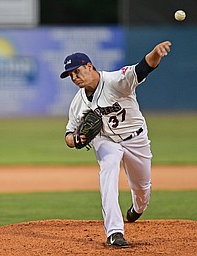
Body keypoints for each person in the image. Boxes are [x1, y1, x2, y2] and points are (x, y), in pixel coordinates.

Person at [60, 41, 172, 247]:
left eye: (76, 71)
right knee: (108, 171)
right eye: (70, 75)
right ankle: (114, 232)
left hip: (135, 138)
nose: (74, 78)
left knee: (142, 189)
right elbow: (68, 133)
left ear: (89, 66)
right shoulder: (78, 101)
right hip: (106, 140)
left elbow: (142, 68)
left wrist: (156, 53)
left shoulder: (115, 81)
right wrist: (74, 140)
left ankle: (137, 208)